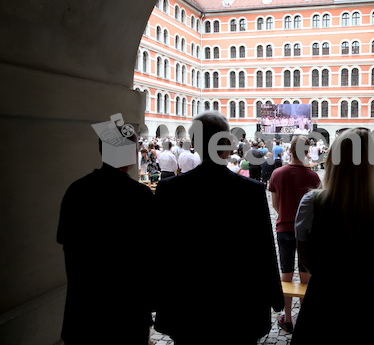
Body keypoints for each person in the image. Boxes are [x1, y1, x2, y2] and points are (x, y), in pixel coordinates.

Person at [153, 111, 284, 344]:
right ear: (227, 145)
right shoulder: (250, 190)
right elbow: (263, 247)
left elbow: (160, 248)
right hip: (239, 305)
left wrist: (156, 298)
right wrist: (275, 296)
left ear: (194, 144)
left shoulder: (170, 189)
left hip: (187, 306)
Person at [293, 128, 374, 344]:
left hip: (324, 297)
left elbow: (305, 257)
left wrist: (329, 275)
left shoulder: (310, 203)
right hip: (369, 300)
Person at [57, 131, 154, 345]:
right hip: (128, 311)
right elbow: (151, 255)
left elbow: (66, 244)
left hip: (84, 307)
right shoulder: (141, 197)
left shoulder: (76, 191)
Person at [267, 136, 321, 333]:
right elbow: (317, 206)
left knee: (286, 274)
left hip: (284, 228)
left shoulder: (277, 174)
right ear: (307, 152)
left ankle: (288, 318)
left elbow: (275, 204)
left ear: (289, 150)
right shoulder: (313, 177)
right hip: (307, 231)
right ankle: (304, 319)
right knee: (305, 275)